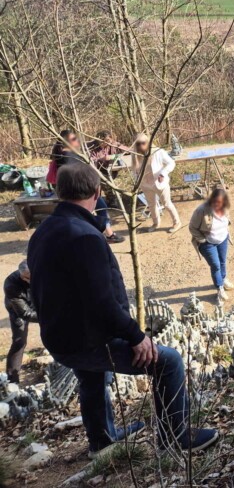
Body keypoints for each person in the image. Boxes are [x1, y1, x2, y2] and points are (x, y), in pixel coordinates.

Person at [27, 164, 219, 457]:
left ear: (58, 192)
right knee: (169, 362)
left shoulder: (42, 232)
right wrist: (136, 337)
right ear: (98, 192)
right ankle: (175, 438)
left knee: (92, 377)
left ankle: (102, 442)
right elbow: (101, 302)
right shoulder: (85, 237)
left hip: (60, 337)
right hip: (85, 338)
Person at [50, 130, 125, 244]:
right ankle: (104, 235)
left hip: (78, 189)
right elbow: (76, 173)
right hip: (81, 189)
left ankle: (108, 234)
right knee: (98, 210)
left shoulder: (64, 153)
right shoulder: (67, 156)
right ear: (66, 141)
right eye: (74, 139)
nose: (77, 140)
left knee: (97, 209)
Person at [189, 188, 234, 304]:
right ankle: (219, 288)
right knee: (215, 265)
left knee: (223, 261)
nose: (218, 205)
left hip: (222, 239)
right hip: (208, 243)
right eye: (216, 202)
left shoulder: (225, 208)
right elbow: (192, 227)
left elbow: (227, 220)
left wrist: (226, 231)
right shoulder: (201, 210)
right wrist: (202, 240)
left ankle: (223, 279)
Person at [131, 133, 181, 233]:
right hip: (145, 184)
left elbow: (171, 163)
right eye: (138, 144)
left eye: (143, 143)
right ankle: (156, 223)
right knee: (151, 205)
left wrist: (163, 173)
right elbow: (134, 170)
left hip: (159, 183)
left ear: (148, 142)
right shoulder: (135, 154)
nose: (141, 146)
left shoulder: (158, 152)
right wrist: (137, 182)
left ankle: (177, 222)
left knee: (166, 204)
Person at [4, 260, 36, 384]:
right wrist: (49, 317)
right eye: (26, 279)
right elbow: (25, 314)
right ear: (21, 275)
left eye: (32, 278)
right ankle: (12, 381)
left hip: (37, 303)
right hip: (19, 309)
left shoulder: (42, 272)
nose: (30, 282)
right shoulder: (11, 284)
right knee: (19, 341)